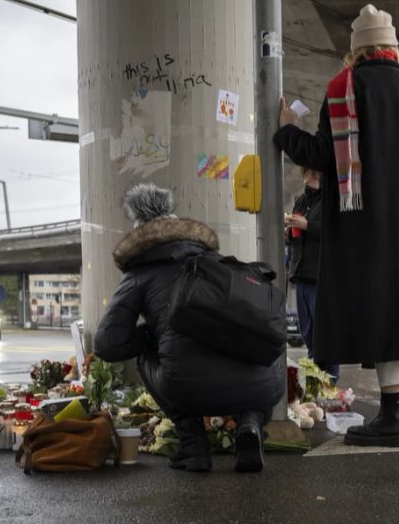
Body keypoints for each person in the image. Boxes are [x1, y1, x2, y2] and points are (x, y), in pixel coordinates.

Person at [273, 4, 399, 448]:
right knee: (393, 314)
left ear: (356, 52)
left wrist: (288, 131)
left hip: (359, 224)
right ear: (392, 48)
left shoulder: (346, 88)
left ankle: (386, 417)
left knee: (361, 310)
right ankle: (392, 415)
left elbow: (323, 156)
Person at [93, 183, 284, 473]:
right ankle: (250, 424)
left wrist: (148, 337)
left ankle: (193, 446)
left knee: (148, 353)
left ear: (140, 235)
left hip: (187, 388)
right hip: (262, 387)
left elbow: (107, 344)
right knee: (257, 354)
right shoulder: (219, 263)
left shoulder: (139, 273)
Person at [285, 167, 339, 382]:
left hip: (321, 276)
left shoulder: (330, 198)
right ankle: (315, 384)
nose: (301, 172)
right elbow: (298, 238)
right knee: (308, 334)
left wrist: (307, 225)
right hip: (301, 274)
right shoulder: (301, 201)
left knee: (324, 334)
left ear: (315, 172)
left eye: (305, 169)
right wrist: (290, 232)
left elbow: (337, 231)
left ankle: (330, 383)